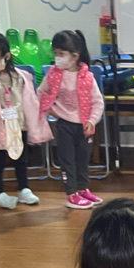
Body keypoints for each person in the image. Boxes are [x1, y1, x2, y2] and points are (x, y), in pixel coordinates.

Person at [0, 32, 51, 210]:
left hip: (18, 124)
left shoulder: (20, 77)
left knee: (21, 158)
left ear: (7, 56)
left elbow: (29, 101)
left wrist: (33, 122)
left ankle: (23, 189)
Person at [38, 30, 104, 210]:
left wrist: (92, 120)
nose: (57, 58)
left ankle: (83, 189)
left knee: (83, 160)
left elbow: (97, 101)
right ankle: (71, 194)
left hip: (84, 126)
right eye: (56, 54)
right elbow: (41, 92)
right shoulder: (53, 75)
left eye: (61, 54)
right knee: (67, 161)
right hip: (64, 125)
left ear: (75, 56)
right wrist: (51, 109)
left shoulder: (87, 77)